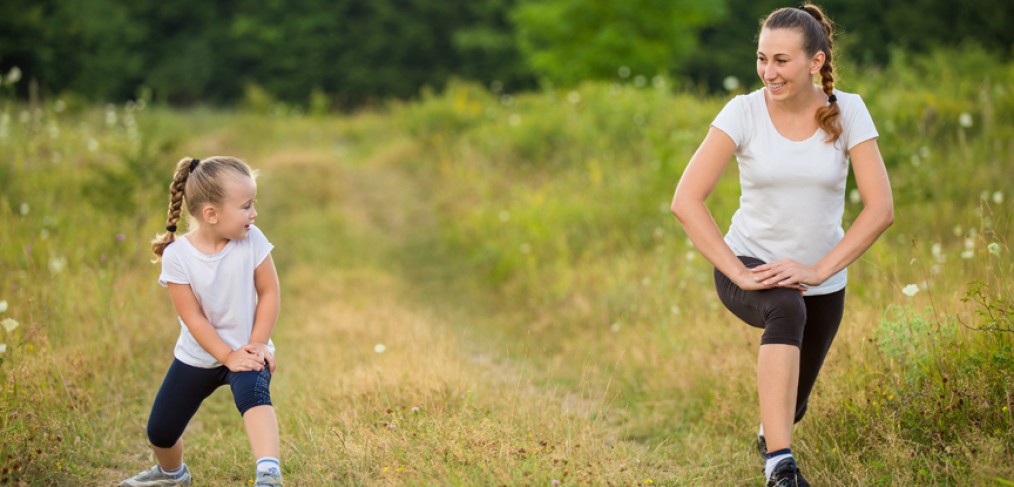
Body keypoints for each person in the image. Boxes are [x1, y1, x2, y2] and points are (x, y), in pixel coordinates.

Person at [670, 4, 893, 486]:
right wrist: (739, 272)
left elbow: (880, 209)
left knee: (793, 405)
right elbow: (686, 200)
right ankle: (780, 468)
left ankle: (771, 436)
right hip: (751, 266)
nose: (768, 73)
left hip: (822, 276)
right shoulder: (743, 111)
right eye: (761, 59)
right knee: (786, 309)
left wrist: (818, 271)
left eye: (781, 61)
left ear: (815, 62)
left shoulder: (848, 109)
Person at [121, 156, 284, 487]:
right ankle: (172, 474)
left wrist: (256, 344)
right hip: (198, 355)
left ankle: (269, 474)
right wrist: (225, 356)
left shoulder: (252, 239)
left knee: (255, 395)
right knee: (160, 431)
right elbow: (192, 317)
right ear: (211, 214)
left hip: (247, 349)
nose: (254, 214)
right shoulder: (177, 256)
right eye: (246, 206)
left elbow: (269, 293)